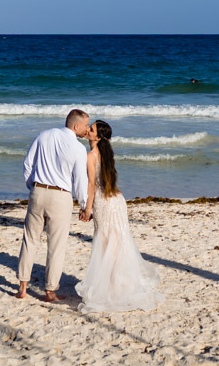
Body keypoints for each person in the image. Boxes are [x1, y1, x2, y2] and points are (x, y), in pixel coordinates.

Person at [75, 120, 163, 312]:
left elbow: (91, 185)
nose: (88, 130)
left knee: (105, 244)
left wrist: (87, 209)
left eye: (91, 129)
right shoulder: (107, 154)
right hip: (116, 201)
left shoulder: (91, 156)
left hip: (104, 203)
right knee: (117, 244)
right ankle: (119, 286)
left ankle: (110, 290)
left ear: (98, 137)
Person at [16, 108, 91, 302]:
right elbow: (80, 180)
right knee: (56, 245)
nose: (87, 129)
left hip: (38, 192)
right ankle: (50, 291)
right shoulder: (78, 148)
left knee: (30, 239)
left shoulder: (44, 135)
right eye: (86, 125)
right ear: (76, 126)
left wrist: (33, 187)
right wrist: (84, 204)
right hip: (61, 196)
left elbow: (28, 164)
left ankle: (22, 286)